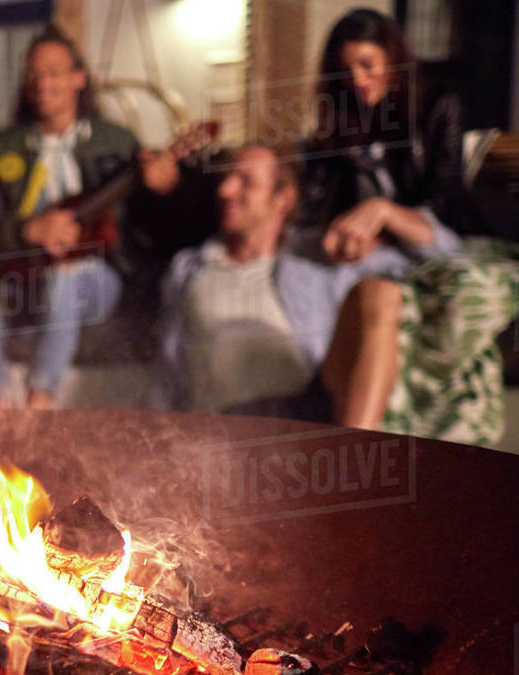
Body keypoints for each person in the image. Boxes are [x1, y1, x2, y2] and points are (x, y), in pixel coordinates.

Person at [153, 144, 463, 430]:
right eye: (225, 179)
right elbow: (168, 372)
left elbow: (449, 260)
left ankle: (352, 464)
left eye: (245, 181)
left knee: (380, 295)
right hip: (220, 425)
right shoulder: (188, 270)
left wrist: (385, 212)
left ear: (283, 199)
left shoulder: (323, 259)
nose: (225, 190)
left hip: (307, 415)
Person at [0, 25, 181, 408]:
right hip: (21, 282)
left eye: (54, 71)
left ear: (79, 78)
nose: (43, 82)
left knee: (65, 276)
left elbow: (154, 228)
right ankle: (4, 418)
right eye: (35, 73)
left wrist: (166, 189)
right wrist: (26, 230)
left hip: (95, 282)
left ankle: (41, 399)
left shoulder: (118, 141)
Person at [300, 7, 471, 262]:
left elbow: (444, 199)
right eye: (346, 70)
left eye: (367, 65)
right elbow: (318, 204)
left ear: (392, 59)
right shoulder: (343, 115)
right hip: (364, 246)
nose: (357, 79)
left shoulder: (439, 104)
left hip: (424, 236)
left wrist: (384, 222)